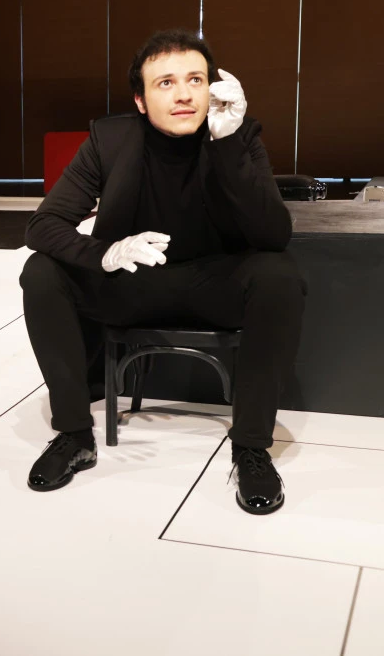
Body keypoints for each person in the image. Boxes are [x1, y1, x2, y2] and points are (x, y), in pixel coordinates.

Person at [20, 29, 305, 514]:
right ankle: (73, 435)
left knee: (280, 275)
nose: (184, 94)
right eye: (166, 83)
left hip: (215, 281)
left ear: (212, 88)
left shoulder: (238, 134)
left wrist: (228, 145)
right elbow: (43, 225)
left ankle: (251, 448)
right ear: (140, 100)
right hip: (132, 282)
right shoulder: (109, 139)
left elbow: (274, 234)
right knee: (41, 271)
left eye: (195, 79)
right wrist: (104, 252)